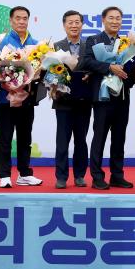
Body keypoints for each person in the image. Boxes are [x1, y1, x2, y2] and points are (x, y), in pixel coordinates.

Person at [82, 6, 135, 190]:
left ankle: (117, 175)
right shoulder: (93, 40)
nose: (115, 21)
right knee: (99, 137)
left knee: (119, 137)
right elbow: (86, 62)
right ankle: (97, 176)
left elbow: (134, 68)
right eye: (111, 18)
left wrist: (132, 74)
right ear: (103, 20)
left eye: (118, 18)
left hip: (122, 96)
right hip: (102, 97)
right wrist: (109, 67)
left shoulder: (127, 43)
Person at [0, 6, 44, 188]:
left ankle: (24, 174)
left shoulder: (37, 45)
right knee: (6, 137)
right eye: (18, 18)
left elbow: (40, 71)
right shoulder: (2, 43)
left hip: (27, 98)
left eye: (25, 18)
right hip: (6, 98)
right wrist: (6, 84)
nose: (21, 21)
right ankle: (4, 175)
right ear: (10, 20)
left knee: (25, 138)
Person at [52, 10, 91, 189]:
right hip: (63, 101)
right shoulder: (55, 47)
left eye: (77, 22)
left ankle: (80, 175)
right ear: (64, 25)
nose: (74, 25)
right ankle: (61, 177)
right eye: (70, 22)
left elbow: (95, 68)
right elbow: (48, 71)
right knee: (62, 141)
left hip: (84, 100)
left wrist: (90, 75)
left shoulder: (89, 46)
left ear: (82, 25)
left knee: (81, 140)